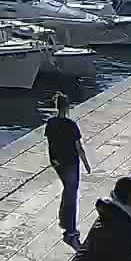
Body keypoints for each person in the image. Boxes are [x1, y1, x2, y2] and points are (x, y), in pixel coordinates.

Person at [45, 94, 90, 246]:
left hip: (58, 162)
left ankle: (65, 222)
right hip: (71, 162)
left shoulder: (50, 123)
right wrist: (86, 164)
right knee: (71, 193)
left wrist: (54, 160)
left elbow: (50, 144)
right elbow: (79, 148)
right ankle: (69, 227)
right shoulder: (71, 125)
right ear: (67, 107)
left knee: (67, 190)